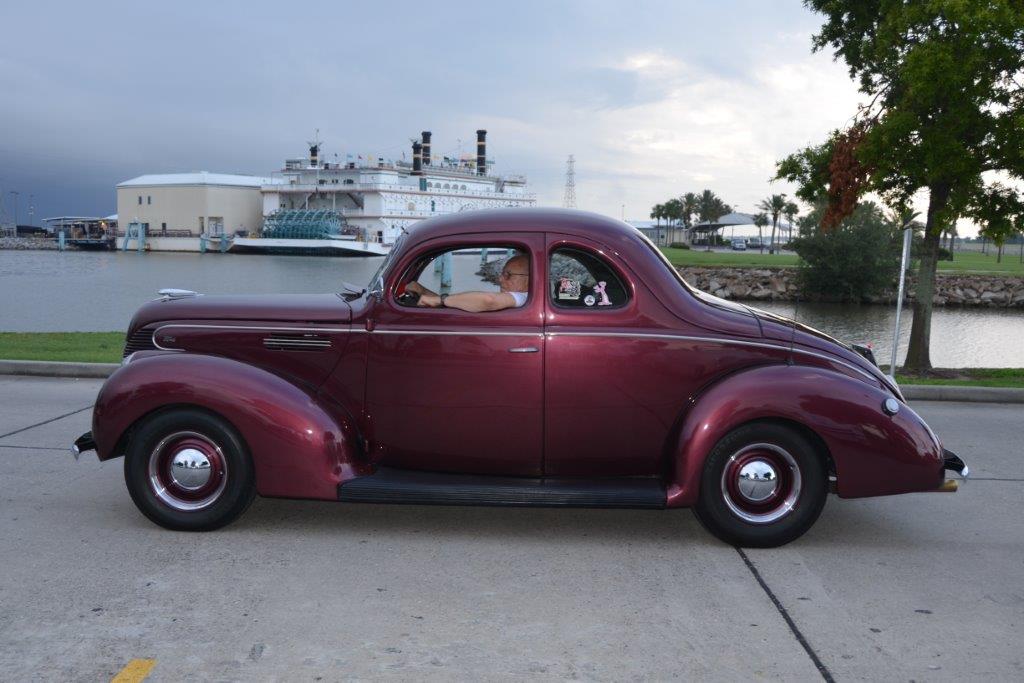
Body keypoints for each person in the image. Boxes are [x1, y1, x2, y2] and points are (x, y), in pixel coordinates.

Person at [405, 254, 530, 312]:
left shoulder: (522, 297)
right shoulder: (522, 299)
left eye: (508, 275)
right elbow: (455, 304)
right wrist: (423, 291)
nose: (500, 279)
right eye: (502, 274)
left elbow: (488, 300)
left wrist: (439, 300)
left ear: (528, 280)